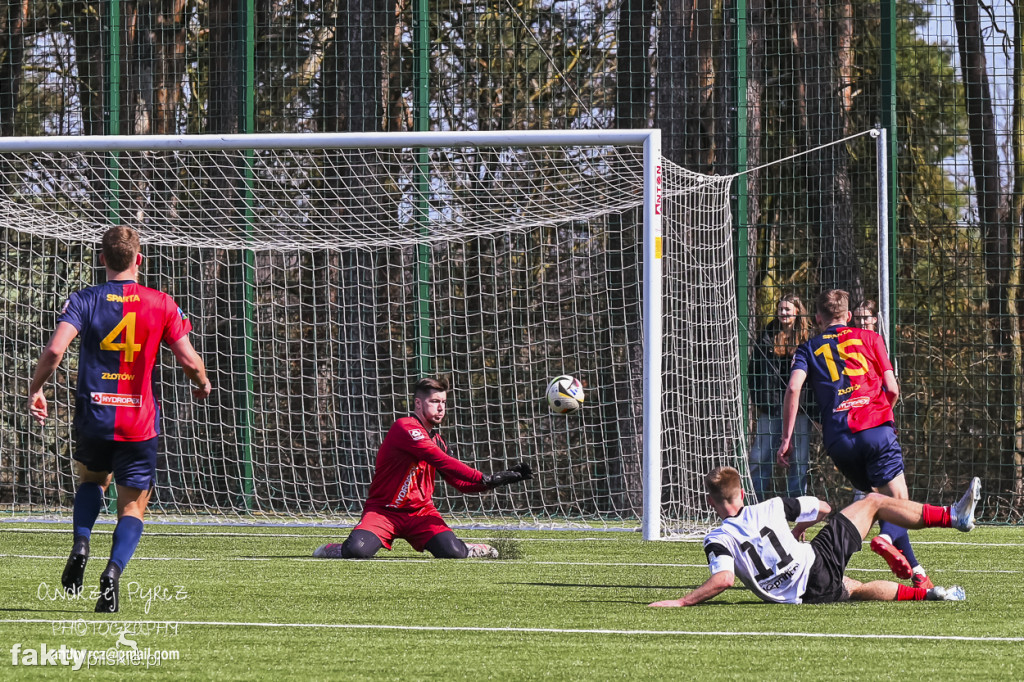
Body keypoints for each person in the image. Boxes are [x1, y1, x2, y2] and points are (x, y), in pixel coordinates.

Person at [28, 225, 211, 613]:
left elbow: (54, 352)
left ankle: (81, 542)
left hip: (94, 415)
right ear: (138, 259)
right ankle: (112, 572)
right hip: (138, 421)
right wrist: (202, 383)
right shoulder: (161, 302)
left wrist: (36, 389)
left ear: (102, 260)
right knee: (132, 507)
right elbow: (189, 361)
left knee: (92, 480)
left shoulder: (84, 299)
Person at [776, 289, 933, 590]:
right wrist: (881, 415)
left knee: (877, 501)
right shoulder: (871, 339)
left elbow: (794, 389)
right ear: (849, 316)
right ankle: (886, 538)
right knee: (898, 502)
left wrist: (786, 438)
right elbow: (893, 388)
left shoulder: (807, 348)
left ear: (818, 318)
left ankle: (918, 573)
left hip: (839, 441)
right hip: (875, 429)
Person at [648, 466, 979, 607]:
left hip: (805, 596)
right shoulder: (773, 506)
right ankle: (952, 517)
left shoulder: (717, 539)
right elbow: (824, 508)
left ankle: (930, 596)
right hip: (815, 562)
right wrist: (800, 527)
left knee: (856, 589)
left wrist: (681, 600)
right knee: (874, 501)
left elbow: (723, 579)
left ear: (711, 502)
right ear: (743, 494)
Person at [314, 377, 532, 560]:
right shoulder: (405, 427)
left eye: (444, 402)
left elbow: (460, 484)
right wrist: (484, 477)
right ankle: (332, 549)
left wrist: (495, 482)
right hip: (384, 511)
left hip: (420, 513)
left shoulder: (439, 440)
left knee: (454, 553)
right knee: (356, 551)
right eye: (434, 401)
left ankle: (468, 546)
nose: (440, 408)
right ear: (418, 403)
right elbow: (436, 458)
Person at [747, 293, 813, 501]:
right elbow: (753, 371)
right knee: (760, 456)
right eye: (780, 309)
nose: (783, 313)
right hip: (771, 407)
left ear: (797, 311)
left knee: (800, 458)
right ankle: (755, 502)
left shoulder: (809, 339)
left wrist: (814, 407)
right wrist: (760, 401)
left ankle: (796, 504)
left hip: (801, 409)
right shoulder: (767, 336)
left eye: (787, 309)